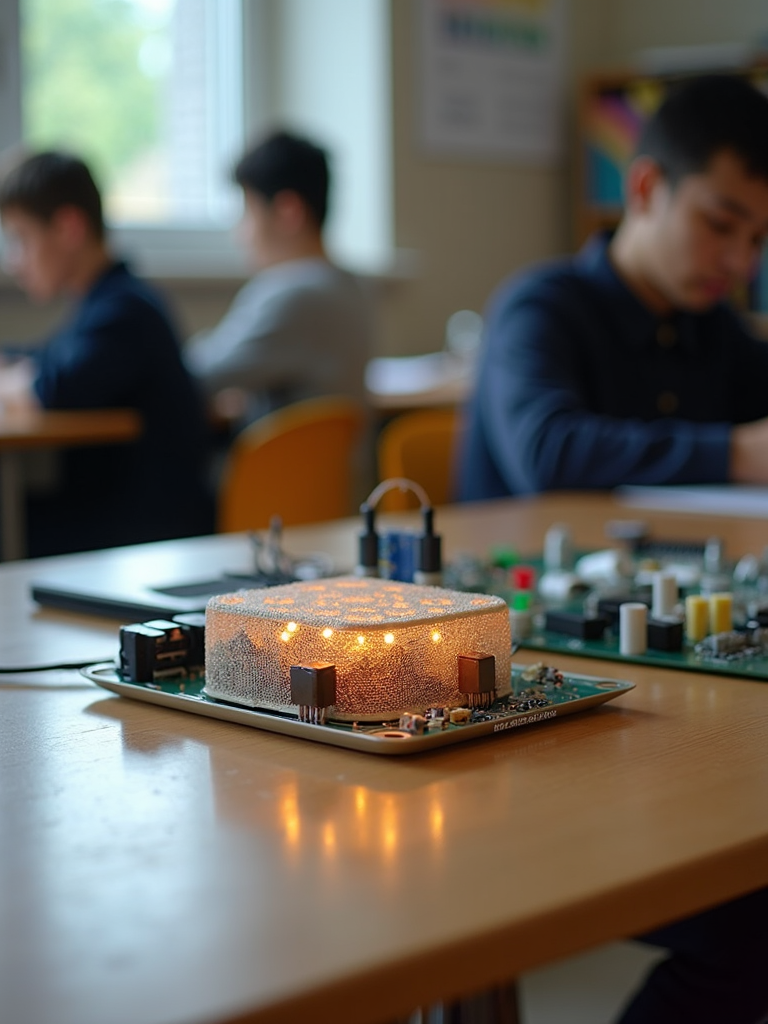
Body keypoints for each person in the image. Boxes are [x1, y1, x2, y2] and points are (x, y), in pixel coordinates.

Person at [458, 74, 768, 501]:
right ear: (645, 188)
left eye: (758, 239)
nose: (743, 264)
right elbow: (548, 453)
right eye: (719, 225)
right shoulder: (540, 306)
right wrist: (739, 454)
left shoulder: (713, 325)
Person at [0, 150, 213, 556]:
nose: (14, 261)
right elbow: (46, 361)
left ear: (68, 228)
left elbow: (54, 387)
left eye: (21, 240)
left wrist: (16, 380)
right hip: (121, 517)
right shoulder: (103, 304)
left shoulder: (125, 310)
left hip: (145, 530)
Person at [184, 130, 374, 428]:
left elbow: (194, 374)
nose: (240, 234)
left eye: (248, 212)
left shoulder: (291, 293)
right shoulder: (353, 288)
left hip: (270, 475)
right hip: (336, 474)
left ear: (289, 211)